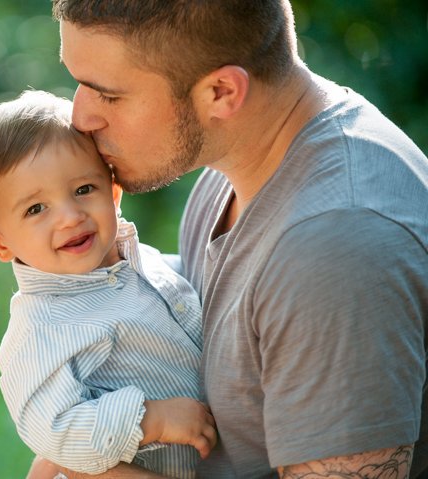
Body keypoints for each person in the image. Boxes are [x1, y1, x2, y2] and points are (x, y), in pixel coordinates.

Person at [51, 0, 428, 478]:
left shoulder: (335, 247)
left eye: (107, 94)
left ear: (222, 91)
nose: (80, 115)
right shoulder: (246, 159)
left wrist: (90, 470)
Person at [0, 91, 217, 478]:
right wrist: (151, 419)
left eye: (84, 189)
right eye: (36, 209)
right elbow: (54, 429)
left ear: (114, 194)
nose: (69, 216)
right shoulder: (42, 329)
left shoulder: (139, 262)